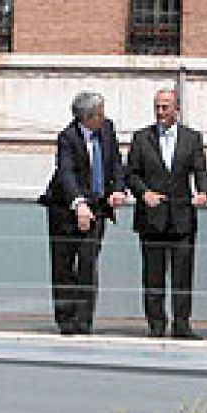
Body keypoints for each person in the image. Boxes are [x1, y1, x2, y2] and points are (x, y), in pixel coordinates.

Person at [126, 88, 207, 339]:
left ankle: (182, 324)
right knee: (153, 275)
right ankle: (156, 325)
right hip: (151, 218)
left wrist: (204, 192)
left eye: (166, 107)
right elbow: (131, 173)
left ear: (177, 109)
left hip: (182, 216)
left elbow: (200, 170)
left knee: (183, 274)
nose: (161, 112)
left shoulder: (191, 138)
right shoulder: (142, 138)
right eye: (158, 107)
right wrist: (144, 194)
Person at [42, 90, 128, 336]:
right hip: (65, 210)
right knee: (64, 266)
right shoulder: (68, 138)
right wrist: (78, 204)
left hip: (98, 207)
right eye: (98, 115)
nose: (103, 118)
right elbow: (66, 173)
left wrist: (118, 189)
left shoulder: (107, 129)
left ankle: (84, 321)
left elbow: (116, 164)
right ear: (85, 118)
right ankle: (66, 320)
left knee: (88, 264)